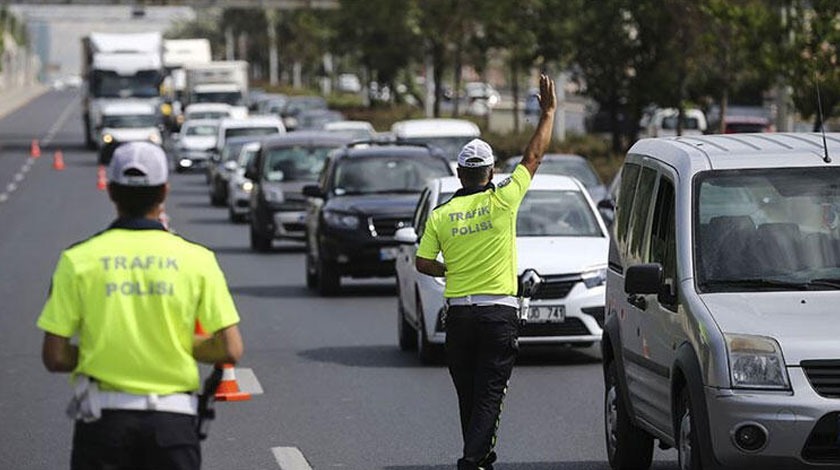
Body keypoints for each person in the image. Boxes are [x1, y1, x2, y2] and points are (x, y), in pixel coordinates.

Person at [37, 141, 244, 470]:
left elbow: (55, 355)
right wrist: (172, 345)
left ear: (112, 192)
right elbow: (230, 349)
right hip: (173, 427)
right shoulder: (198, 260)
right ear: (164, 192)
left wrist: (104, 350)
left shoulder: (77, 261)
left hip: (103, 425)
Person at [415, 74, 556, 470]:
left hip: (459, 316)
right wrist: (547, 113)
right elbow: (533, 158)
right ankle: (471, 460)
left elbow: (422, 263)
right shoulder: (503, 201)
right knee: (490, 394)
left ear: (460, 174)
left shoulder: (441, 215)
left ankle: (479, 458)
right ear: (490, 173)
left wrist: (449, 267)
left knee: (469, 395)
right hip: (498, 315)